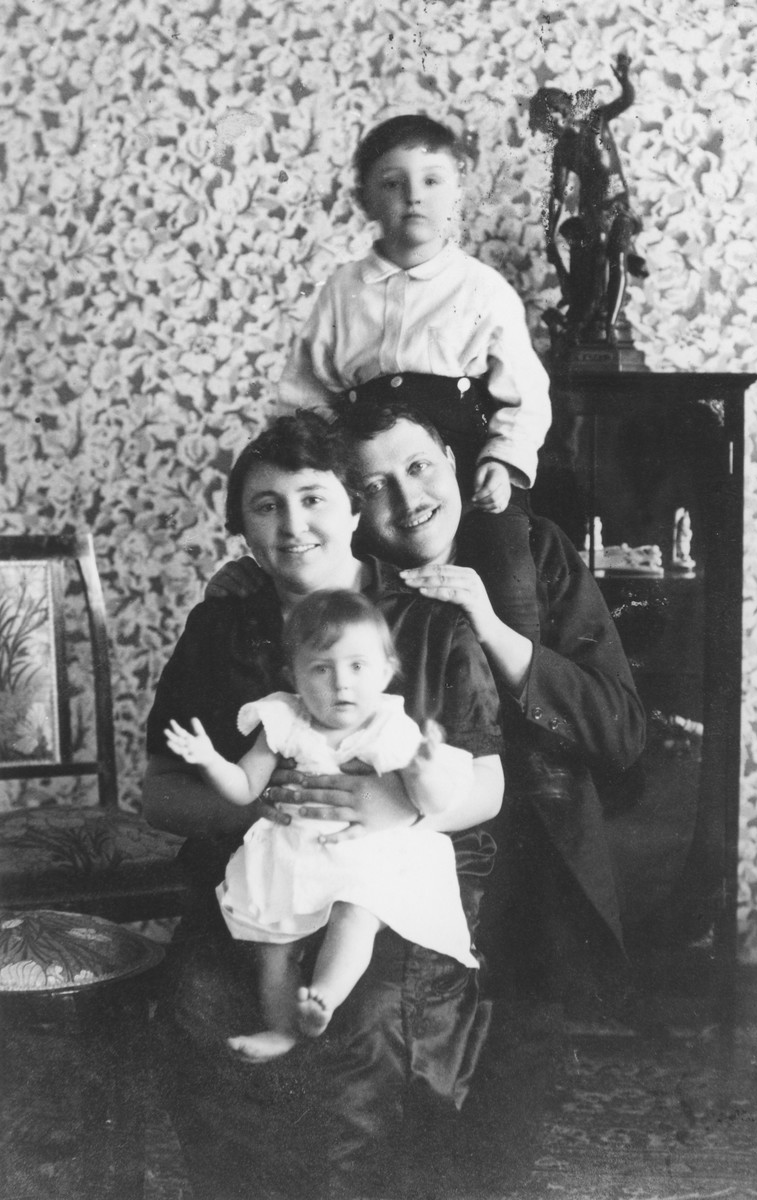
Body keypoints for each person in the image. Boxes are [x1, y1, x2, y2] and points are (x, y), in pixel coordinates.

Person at [143, 410, 504, 1200]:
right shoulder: (219, 628)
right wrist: (260, 804)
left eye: (312, 498)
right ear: (242, 526)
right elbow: (157, 791)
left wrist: (399, 803)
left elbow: (488, 785)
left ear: (351, 506)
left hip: (390, 884)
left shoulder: (429, 624)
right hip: (262, 882)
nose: (293, 524)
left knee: (366, 1024)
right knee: (202, 1004)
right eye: (266, 506)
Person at [209, 401, 647, 1010]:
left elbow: (622, 733)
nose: (409, 498)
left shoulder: (532, 551)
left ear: (452, 460)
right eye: (374, 486)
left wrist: (492, 628)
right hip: (403, 841)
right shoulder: (352, 594)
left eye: (419, 466)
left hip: (534, 839)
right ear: (355, 508)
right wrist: (249, 578)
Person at [163, 587, 488, 1064]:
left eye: (357, 667)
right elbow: (245, 789)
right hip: (295, 856)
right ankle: (282, 1029)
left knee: (354, 914)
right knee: (273, 947)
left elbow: (434, 803)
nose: (341, 684)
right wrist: (210, 761)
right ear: (294, 676)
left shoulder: (389, 726)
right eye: (321, 668)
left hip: (368, 856)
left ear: (385, 671)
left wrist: (421, 768)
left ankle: (326, 997)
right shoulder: (284, 719)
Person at [276, 113, 552, 642]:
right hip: (372, 484)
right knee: (353, 592)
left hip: (471, 480)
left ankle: (515, 695)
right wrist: (323, 474)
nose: (413, 197)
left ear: (458, 190)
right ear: (365, 201)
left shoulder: (482, 289)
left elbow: (526, 397)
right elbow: (304, 393)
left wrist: (503, 461)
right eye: (392, 183)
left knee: (509, 576)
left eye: (431, 180)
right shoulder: (343, 290)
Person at [529, 54, 648, 347]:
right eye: (544, 123)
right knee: (591, 263)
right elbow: (557, 196)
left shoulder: (597, 120)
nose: (548, 127)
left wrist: (624, 79)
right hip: (591, 211)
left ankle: (608, 327)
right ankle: (587, 319)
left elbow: (626, 101)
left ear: (564, 110)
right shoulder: (562, 152)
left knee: (616, 257)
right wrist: (549, 235)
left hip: (618, 206)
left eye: (550, 117)